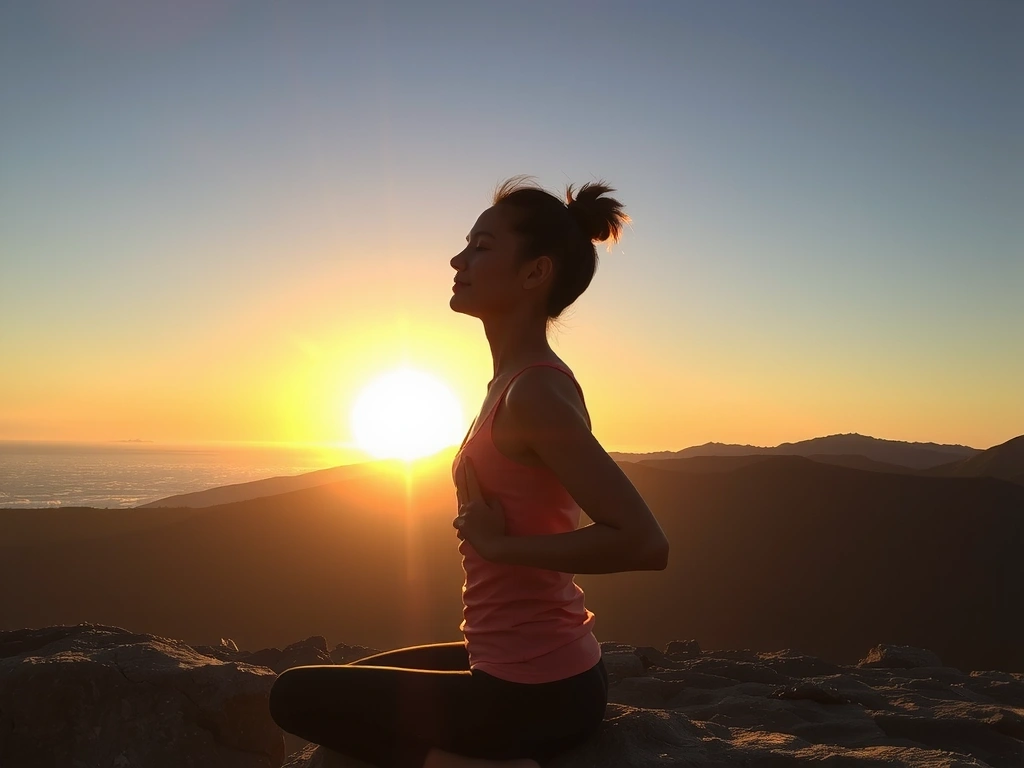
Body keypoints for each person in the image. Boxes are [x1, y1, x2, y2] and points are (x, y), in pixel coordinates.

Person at [268, 177, 671, 768]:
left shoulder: (534, 392)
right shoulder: (512, 382)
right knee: (345, 702)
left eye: (481, 246)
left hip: (535, 694)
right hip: (519, 664)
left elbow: (644, 542)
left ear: (535, 274)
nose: (458, 259)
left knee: (295, 696)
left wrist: (502, 545)